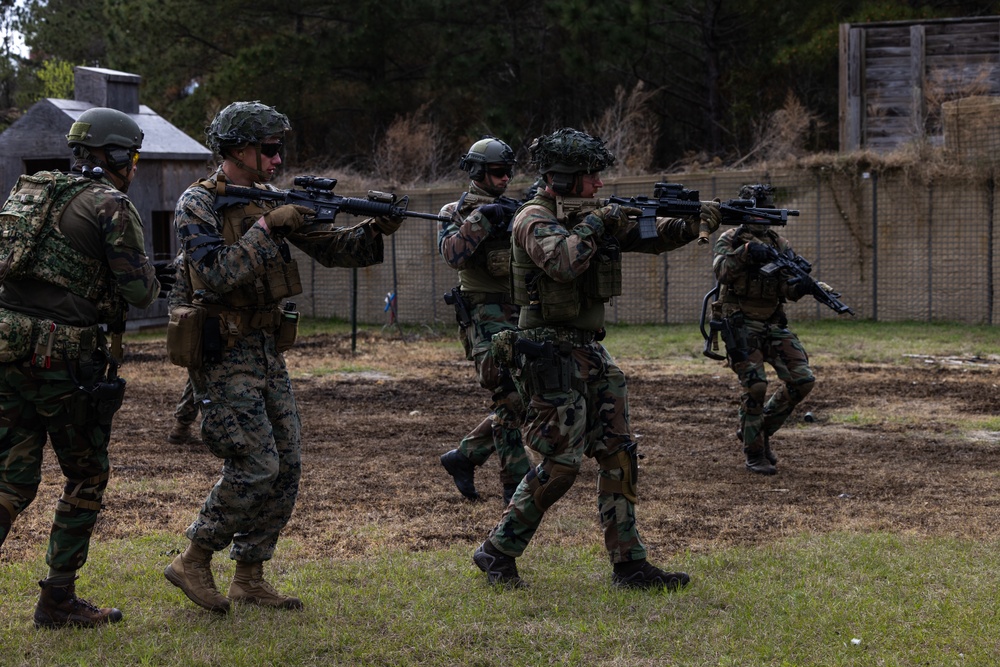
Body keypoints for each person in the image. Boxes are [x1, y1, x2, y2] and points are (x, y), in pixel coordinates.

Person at [164, 100, 402, 614]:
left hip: (266, 349)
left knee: (287, 464)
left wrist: (377, 227)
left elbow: (337, 249)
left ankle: (249, 575)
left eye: (279, 149)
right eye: (269, 149)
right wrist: (269, 228)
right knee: (255, 463)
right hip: (222, 349)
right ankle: (194, 557)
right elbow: (216, 274)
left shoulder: (269, 199)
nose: (277, 159)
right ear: (238, 150)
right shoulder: (197, 204)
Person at [472, 127, 721, 590]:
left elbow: (648, 235)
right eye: (591, 178)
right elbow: (562, 261)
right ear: (565, 180)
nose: (600, 186)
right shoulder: (532, 217)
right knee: (561, 466)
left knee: (619, 455)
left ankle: (629, 565)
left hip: (589, 349)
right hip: (548, 352)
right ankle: (496, 551)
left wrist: (689, 225)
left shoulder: (592, 214)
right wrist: (597, 223)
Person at [0, 107, 163, 627]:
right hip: (64, 364)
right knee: (87, 475)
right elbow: (139, 293)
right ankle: (57, 600)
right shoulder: (111, 206)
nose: (134, 166)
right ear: (116, 156)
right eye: (133, 156)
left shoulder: (33, 191)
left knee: (10, 481)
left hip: (6, 352)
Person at [438, 136, 530, 504]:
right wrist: (481, 219)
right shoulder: (455, 210)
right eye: (497, 172)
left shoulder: (516, 207)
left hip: (519, 312)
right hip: (484, 315)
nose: (505, 178)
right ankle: (515, 485)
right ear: (477, 172)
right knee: (509, 393)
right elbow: (452, 253)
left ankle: (465, 456)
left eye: (508, 171)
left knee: (522, 396)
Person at [710, 184, 817, 475]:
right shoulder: (730, 239)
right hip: (740, 322)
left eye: (767, 213)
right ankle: (754, 450)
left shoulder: (779, 243)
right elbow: (721, 271)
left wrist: (802, 287)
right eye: (758, 213)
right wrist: (746, 252)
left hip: (772, 323)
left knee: (802, 380)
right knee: (756, 385)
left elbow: (785, 286)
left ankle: (755, 430)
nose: (763, 218)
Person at [166, 251, 201, 445]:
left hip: (195, 323)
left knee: (197, 377)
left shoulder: (186, 259)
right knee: (198, 377)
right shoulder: (185, 261)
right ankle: (181, 426)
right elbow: (177, 303)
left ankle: (181, 427)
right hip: (194, 324)